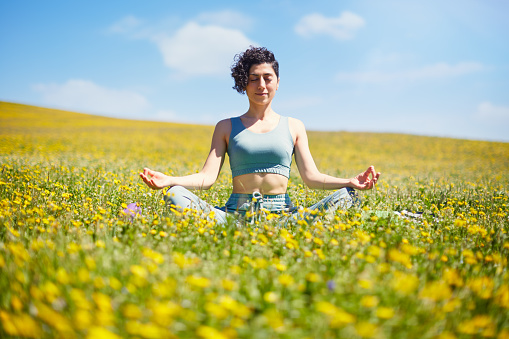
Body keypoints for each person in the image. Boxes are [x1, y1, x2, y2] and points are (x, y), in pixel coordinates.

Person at [140, 46, 380, 225]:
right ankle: (232, 228)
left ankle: (287, 228)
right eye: (253, 79)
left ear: (277, 83)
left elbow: (311, 177)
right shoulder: (226, 126)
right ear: (244, 84)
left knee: (347, 196)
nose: (261, 85)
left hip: (284, 218)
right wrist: (170, 180)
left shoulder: (294, 126)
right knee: (174, 195)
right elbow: (207, 177)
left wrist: (349, 182)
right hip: (235, 216)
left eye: (268, 78)